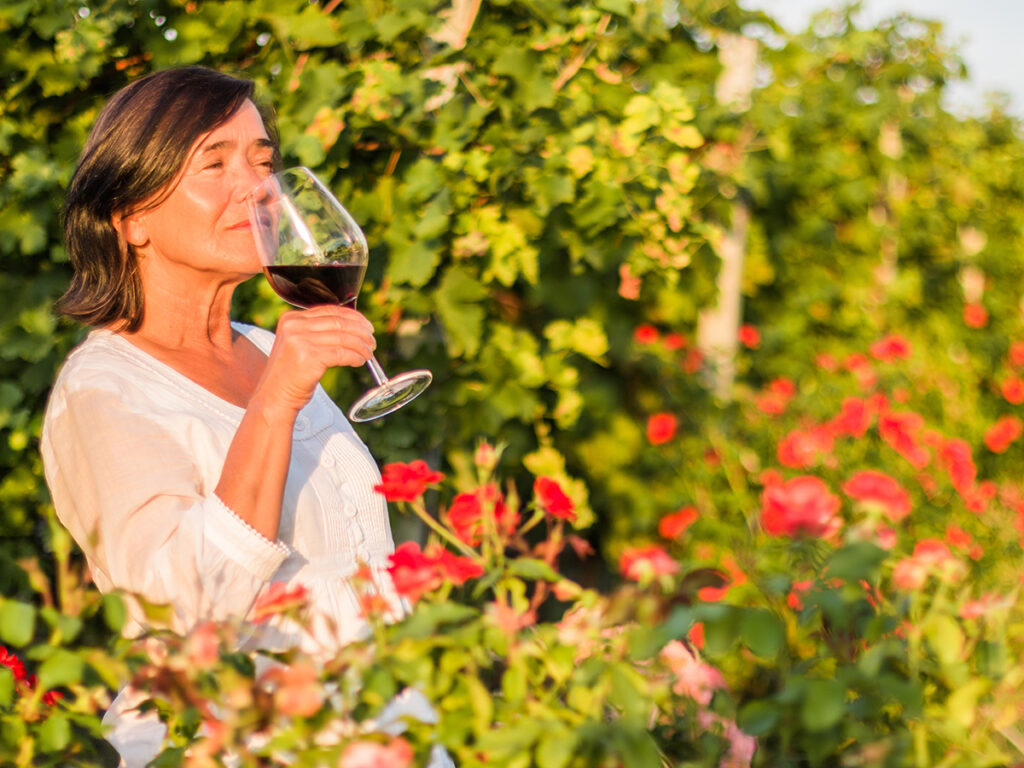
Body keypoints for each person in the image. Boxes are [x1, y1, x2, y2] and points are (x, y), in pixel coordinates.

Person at [40, 66, 447, 767]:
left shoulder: (269, 345)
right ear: (131, 217)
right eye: (215, 162)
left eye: (263, 161)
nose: (256, 187)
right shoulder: (102, 391)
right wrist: (276, 400)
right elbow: (176, 610)